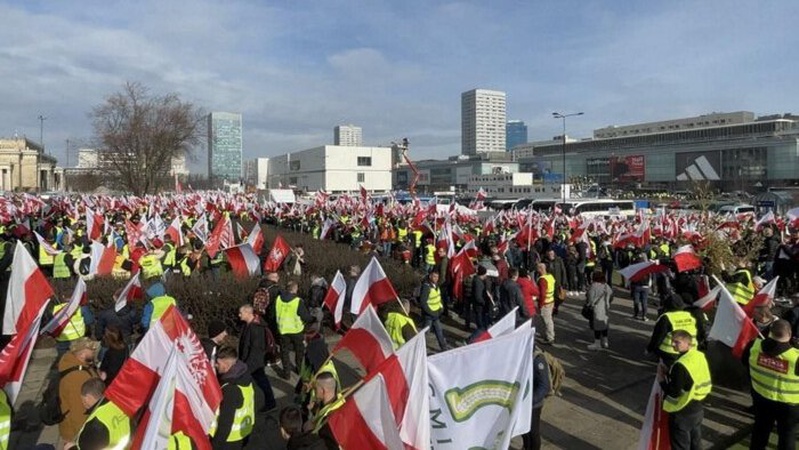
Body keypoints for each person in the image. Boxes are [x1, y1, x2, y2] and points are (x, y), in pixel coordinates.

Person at [743, 319, 799, 450]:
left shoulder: (754, 346)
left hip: (761, 397)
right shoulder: (795, 357)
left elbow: (745, 361)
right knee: (787, 435)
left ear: (770, 333)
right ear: (789, 334)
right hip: (789, 405)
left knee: (760, 431)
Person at [659, 330, 712, 450]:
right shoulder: (698, 355)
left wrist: (661, 380)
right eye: (672, 341)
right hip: (697, 408)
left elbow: (674, 393)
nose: (673, 344)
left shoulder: (681, 365)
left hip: (682, 411)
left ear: (687, 343)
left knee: (681, 446)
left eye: (677, 342)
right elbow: (692, 376)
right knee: (696, 443)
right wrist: (670, 373)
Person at [211, 346, 257, 450]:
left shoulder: (230, 390)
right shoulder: (245, 377)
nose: (215, 365)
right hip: (244, 432)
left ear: (227, 366)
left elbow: (225, 424)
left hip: (229, 440)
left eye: (218, 363)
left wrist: (214, 446)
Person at [68, 378, 130, 450]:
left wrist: (71, 448)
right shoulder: (118, 403)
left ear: (88, 397)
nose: (83, 403)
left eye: (83, 400)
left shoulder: (95, 424)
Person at [58, 337, 100, 443]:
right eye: (92, 351)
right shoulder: (77, 378)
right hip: (75, 433)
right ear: (81, 355)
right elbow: (78, 410)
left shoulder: (81, 365)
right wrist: (83, 436)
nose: (94, 352)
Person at [237, 305, 276, 412]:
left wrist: (247, 365)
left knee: (261, 382)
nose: (239, 315)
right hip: (250, 362)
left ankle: (270, 403)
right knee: (262, 382)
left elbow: (256, 350)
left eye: (241, 312)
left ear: (248, 313)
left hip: (254, 363)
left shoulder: (256, 329)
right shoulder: (248, 325)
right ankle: (271, 402)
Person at [647, 292, 703, 367]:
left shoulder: (666, 317)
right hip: (690, 349)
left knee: (669, 371)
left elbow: (658, 337)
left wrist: (650, 349)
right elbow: (699, 332)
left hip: (670, 352)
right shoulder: (690, 315)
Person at [275, 281, 314, 379]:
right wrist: (313, 318)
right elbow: (305, 317)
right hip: (296, 330)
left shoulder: (278, 299)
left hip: (283, 330)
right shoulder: (297, 301)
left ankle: (286, 373)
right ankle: (299, 369)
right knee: (299, 351)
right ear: (294, 289)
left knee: (284, 352)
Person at [522, 349, 551, 450]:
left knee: (533, 432)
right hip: (522, 401)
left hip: (533, 404)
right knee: (524, 431)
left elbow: (544, 386)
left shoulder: (537, 359)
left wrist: (530, 402)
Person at [309, 372, 344, 450]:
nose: (314, 390)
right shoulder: (340, 399)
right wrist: (314, 409)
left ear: (323, 391)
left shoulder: (330, 421)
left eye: (315, 388)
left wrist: (310, 430)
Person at [419, 271, 449, 351]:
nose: (436, 278)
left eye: (437, 277)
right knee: (426, 333)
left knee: (439, 331)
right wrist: (431, 312)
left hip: (436, 314)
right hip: (429, 315)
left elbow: (438, 298)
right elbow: (423, 302)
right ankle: (420, 349)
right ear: (430, 277)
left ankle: (444, 348)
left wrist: (441, 308)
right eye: (434, 276)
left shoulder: (436, 286)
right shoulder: (426, 287)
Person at [585, 271, 614, 350]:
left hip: (596, 308)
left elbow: (590, 299)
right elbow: (611, 295)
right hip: (605, 308)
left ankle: (597, 343)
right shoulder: (606, 286)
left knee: (597, 326)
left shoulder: (593, 286)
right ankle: (605, 341)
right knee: (604, 325)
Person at [537, 263, 556, 345]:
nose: (536, 270)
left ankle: (550, 338)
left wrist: (540, 304)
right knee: (549, 319)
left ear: (541, 269)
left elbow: (542, 294)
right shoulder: (550, 276)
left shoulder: (542, 280)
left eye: (537, 268)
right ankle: (549, 335)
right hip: (551, 300)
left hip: (545, 303)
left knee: (547, 321)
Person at [471, 265, 490, 330]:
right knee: (481, 325)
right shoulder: (478, 282)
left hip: (479, 306)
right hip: (479, 307)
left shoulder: (478, 280)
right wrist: (484, 302)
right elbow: (478, 296)